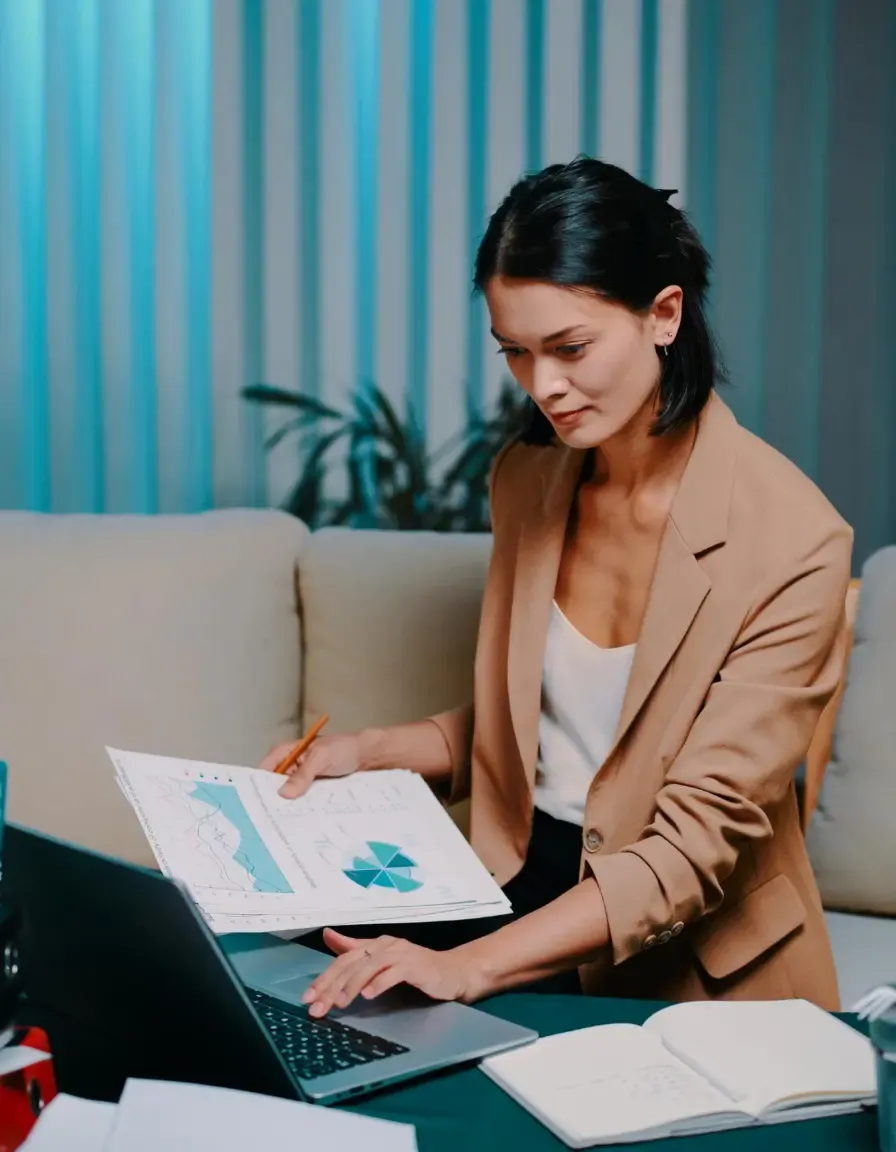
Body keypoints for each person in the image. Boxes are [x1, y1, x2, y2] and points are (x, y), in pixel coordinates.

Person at [260, 157, 852, 1019]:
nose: (544, 388)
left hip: (684, 947)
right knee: (279, 980)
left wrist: (466, 967)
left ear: (664, 314)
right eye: (517, 354)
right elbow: (550, 727)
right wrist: (369, 751)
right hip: (524, 882)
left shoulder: (796, 542)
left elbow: (690, 851)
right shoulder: (531, 478)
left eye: (571, 348)